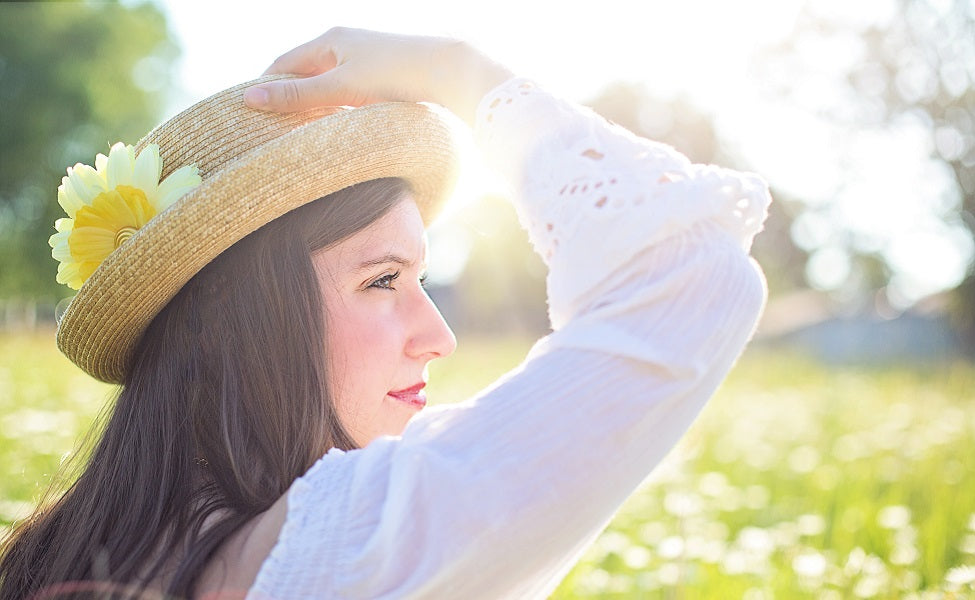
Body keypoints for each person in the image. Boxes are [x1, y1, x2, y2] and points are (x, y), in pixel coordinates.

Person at [0, 27, 770, 599]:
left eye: (422, 279)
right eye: (381, 281)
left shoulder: (51, 553)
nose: (438, 336)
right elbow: (696, 279)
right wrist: (458, 73)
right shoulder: (350, 548)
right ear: (225, 319)